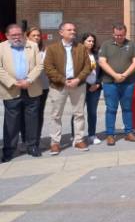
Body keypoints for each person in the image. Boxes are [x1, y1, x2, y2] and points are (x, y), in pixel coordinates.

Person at [43, 22, 91, 154]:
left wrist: (78, 79)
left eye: (74, 29)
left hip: (78, 85)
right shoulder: (52, 48)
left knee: (79, 114)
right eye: (69, 30)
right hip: (59, 86)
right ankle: (55, 142)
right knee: (56, 115)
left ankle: (79, 140)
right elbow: (48, 68)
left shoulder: (81, 48)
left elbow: (88, 66)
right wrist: (63, 80)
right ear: (61, 32)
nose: (73, 32)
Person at [0, 24, 43, 161]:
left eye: (19, 34)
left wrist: (29, 80)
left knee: (32, 120)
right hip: (11, 90)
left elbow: (39, 65)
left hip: (31, 88)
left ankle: (32, 146)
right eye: (13, 35)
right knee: (11, 122)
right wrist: (13, 82)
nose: (17, 37)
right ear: (7, 36)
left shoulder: (33, 46)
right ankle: (9, 150)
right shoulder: (1, 47)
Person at [98, 24, 135, 146]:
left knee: (127, 108)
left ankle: (129, 132)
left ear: (125, 34)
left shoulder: (131, 45)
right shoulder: (106, 45)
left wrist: (124, 75)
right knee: (111, 109)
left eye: (121, 35)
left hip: (128, 82)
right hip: (110, 83)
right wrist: (115, 75)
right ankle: (110, 134)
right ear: (113, 34)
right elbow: (102, 62)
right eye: (116, 35)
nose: (119, 37)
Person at [25, 27, 49, 148]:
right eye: (33, 35)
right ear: (27, 36)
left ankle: (36, 141)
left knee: (39, 114)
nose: (36, 38)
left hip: (42, 86)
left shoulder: (45, 50)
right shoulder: (23, 50)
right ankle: (25, 140)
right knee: (25, 115)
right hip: (26, 86)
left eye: (38, 35)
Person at [79, 33, 103, 145]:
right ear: (83, 41)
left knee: (92, 112)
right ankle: (76, 136)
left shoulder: (97, 55)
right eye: (89, 41)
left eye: (93, 41)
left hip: (95, 87)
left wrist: (98, 84)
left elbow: (102, 71)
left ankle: (92, 135)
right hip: (81, 87)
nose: (91, 43)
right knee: (78, 113)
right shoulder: (77, 54)